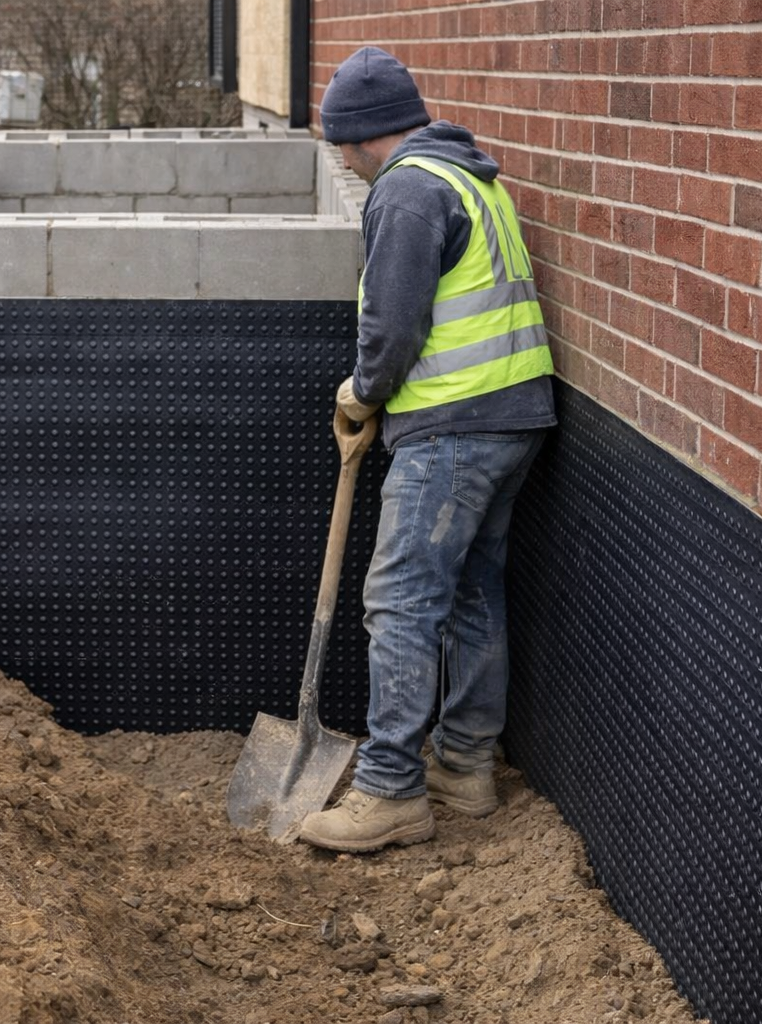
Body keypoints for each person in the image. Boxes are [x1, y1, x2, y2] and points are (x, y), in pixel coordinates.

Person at [297, 47, 557, 853]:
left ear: (358, 136)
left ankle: (390, 791)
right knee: (472, 591)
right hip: (515, 415)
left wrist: (363, 392)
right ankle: (464, 765)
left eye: (337, 138)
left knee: (402, 600)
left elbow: (395, 326)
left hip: (452, 425)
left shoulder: (407, 190)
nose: (338, 154)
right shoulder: (469, 176)